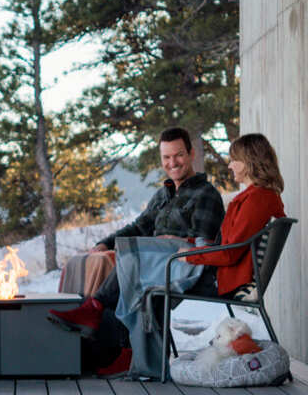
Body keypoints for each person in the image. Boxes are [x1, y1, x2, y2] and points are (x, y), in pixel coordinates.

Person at [58, 127, 223, 307]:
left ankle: (93, 308)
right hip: (152, 260)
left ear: (192, 154)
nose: (173, 162)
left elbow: (200, 247)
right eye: (166, 157)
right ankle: (78, 314)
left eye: (179, 155)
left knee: (128, 261)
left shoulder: (206, 194)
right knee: (88, 260)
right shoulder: (163, 195)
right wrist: (105, 243)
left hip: (182, 268)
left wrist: (163, 242)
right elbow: (138, 227)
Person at [170, 132, 286, 300]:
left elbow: (229, 253)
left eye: (233, 160)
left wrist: (190, 255)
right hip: (227, 277)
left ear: (247, 162)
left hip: (227, 283)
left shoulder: (257, 200)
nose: (230, 165)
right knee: (156, 284)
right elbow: (231, 244)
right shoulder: (262, 197)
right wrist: (191, 245)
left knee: (155, 293)